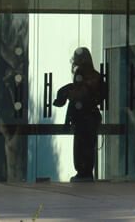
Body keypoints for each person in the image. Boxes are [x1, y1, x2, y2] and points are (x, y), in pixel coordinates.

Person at [53, 47, 105, 182]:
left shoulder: (80, 73)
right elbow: (100, 96)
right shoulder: (96, 75)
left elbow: (76, 98)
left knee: (80, 147)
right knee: (89, 146)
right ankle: (88, 173)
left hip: (82, 116)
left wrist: (67, 119)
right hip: (93, 116)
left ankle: (82, 173)